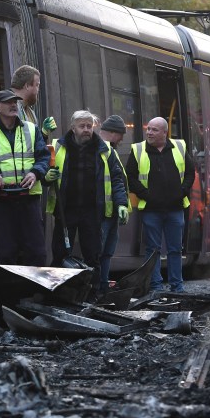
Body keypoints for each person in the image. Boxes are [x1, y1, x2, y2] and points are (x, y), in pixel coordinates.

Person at [46, 111, 128, 296]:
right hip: (65, 210)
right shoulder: (58, 147)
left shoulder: (104, 149)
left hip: (92, 211)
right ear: (72, 128)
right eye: (82, 126)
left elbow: (116, 178)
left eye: (89, 126)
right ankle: (57, 293)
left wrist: (121, 203)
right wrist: (45, 177)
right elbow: (45, 169)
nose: (86, 130)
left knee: (93, 254)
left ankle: (93, 293)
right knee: (60, 253)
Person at [0, 89, 50, 265]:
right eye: (8, 102)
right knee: (7, 252)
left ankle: (36, 291)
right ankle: (12, 292)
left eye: (15, 101)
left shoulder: (31, 129)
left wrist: (35, 172)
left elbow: (44, 157)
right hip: (2, 201)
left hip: (29, 199)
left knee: (36, 251)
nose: (13, 105)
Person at [125, 117, 195, 293]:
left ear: (165, 132)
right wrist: (147, 195)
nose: (149, 132)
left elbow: (190, 173)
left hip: (175, 208)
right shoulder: (138, 149)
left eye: (154, 130)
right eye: (148, 129)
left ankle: (176, 287)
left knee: (175, 249)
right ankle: (155, 287)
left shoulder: (179, 147)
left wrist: (182, 192)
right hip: (151, 209)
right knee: (153, 249)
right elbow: (130, 177)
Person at [97, 114, 129, 293]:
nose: (122, 139)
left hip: (110, 211)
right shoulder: (103, 150)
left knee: (107, 251)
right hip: (102, 212)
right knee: (100, 252)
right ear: (113, 133)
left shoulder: (109, 150)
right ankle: (97, 287)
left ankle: (102, 286)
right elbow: (115, 180)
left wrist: (121, 204)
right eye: (120, 135)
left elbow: (116, 181)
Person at [11, 64, 56, 138]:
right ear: (27, 86)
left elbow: (32, 144)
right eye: (37, 85)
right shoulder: (8, 109)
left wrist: (44, 132)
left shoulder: (30, 111)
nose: (38, 90)